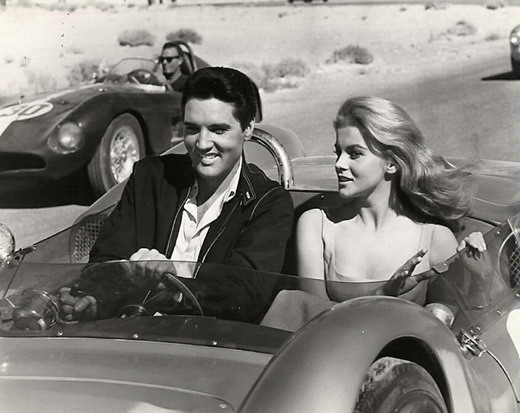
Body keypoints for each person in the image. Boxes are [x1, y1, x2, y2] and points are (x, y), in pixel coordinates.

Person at [60, 67, 294, 323]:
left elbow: (245, 294)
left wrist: (177, 288)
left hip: (211, 340)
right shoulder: (150, 177)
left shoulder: (268, 203)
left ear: (248, 129)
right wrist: (95, 300)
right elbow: (107, 258)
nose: (202, 143)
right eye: (192, 129)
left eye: (218, 130)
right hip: (132, 330)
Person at [261, 96, 485, 331]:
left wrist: (483, 276)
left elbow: (455, 323)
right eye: (338, 152)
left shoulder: (435, 238)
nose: (339, 164)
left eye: (354, 154)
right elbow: (313, 320)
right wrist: (384, 293)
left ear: (391, 163)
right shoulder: (316, 224)